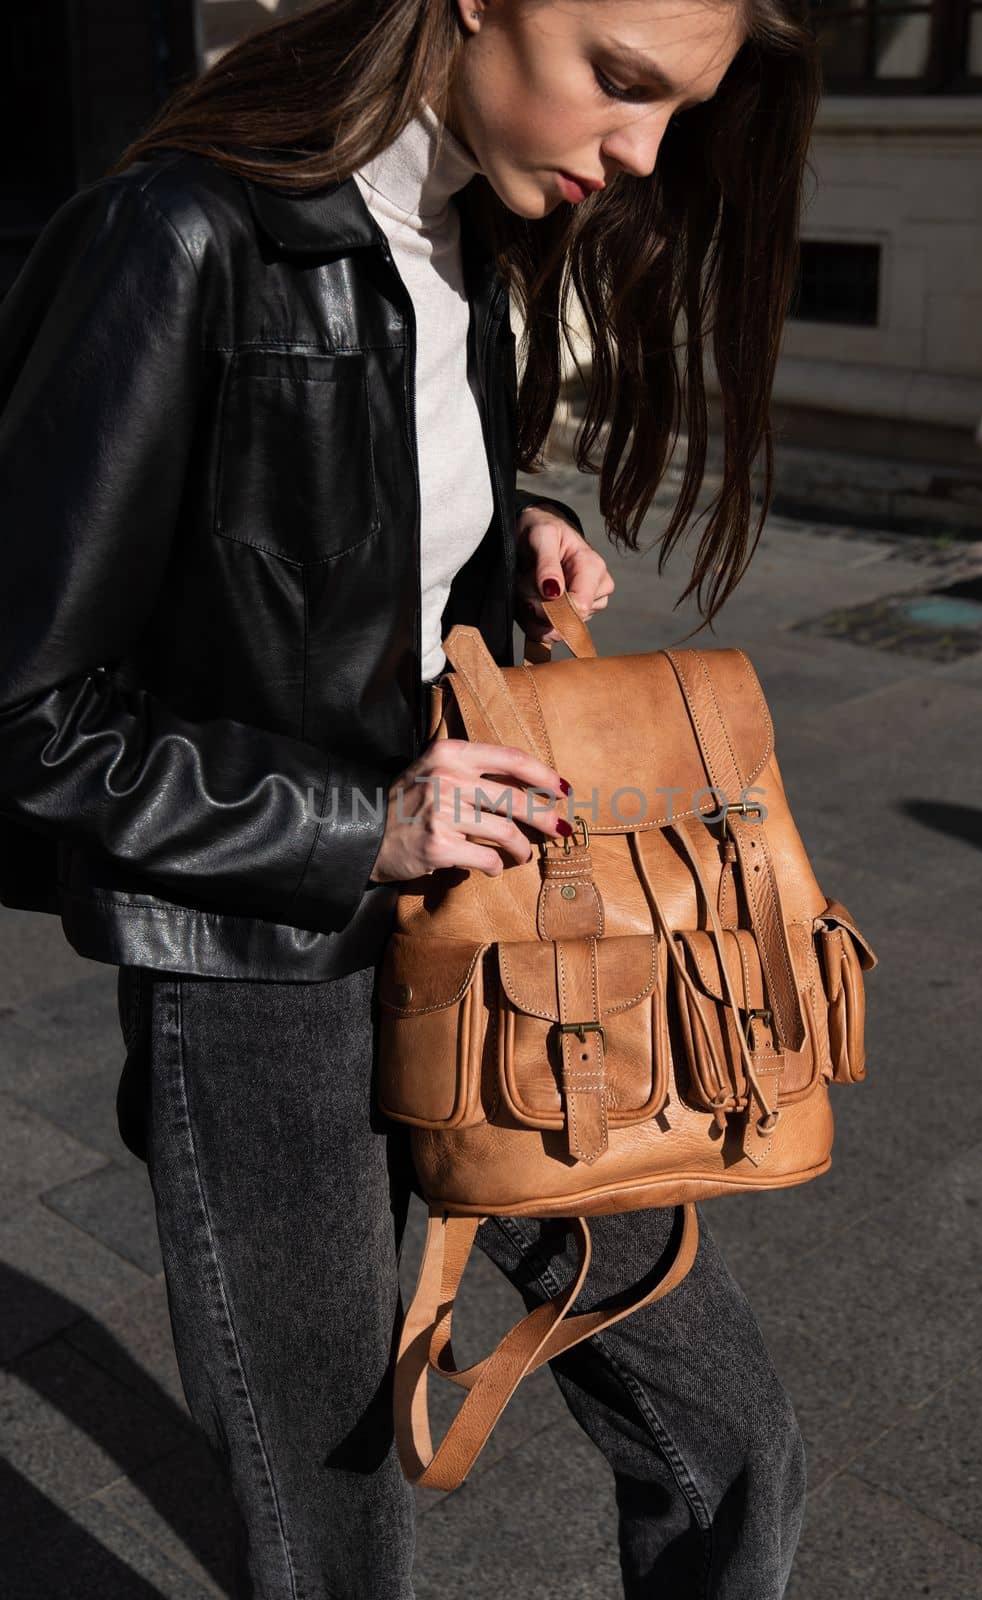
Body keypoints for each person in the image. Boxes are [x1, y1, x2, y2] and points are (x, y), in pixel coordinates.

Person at [0, 2, 822, 1595]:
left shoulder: (462, 234)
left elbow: (322, 482)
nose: (641, 153)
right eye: (622, 83)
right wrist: (356, 824)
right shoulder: (180, 235)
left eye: (676, 110)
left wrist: (506, 527)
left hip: (508, 942)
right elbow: (26, 705)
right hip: (260, 993)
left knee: (730, 1438)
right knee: (335, 1538)